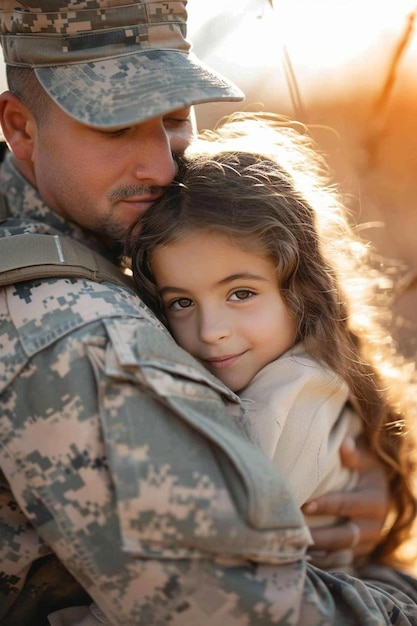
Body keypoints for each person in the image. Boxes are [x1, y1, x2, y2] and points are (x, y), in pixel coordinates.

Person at [0, 1, 416, 624]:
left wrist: (344, 471)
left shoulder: (93, 230)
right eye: (115, 128)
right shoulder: (80, 328)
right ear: (21, 128)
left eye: (173, 118)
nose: (163, 166)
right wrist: (397, 584)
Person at [126, 111, 417, 574]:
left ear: (299, 289)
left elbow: (209, 564)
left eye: (241, 293)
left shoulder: (295, 392)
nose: (210, 330)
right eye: (181, 302)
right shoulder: (303, 367)